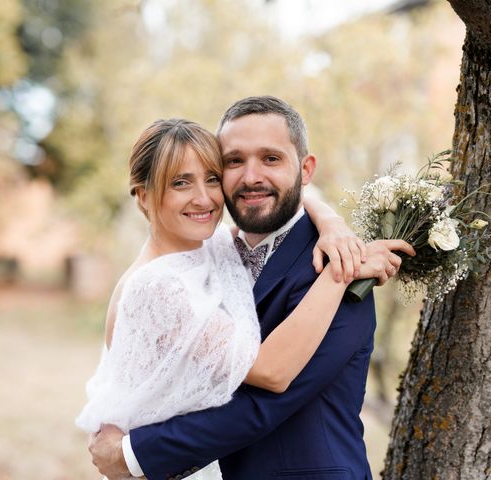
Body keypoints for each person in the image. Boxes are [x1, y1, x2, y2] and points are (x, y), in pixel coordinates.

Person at [87, 98, 414, 480]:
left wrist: (133, 454)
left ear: (305, 168)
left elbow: (266, 399)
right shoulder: (207, 253)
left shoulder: (341, 265)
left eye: (271, 159)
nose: (251, 177)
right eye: (233, 162)